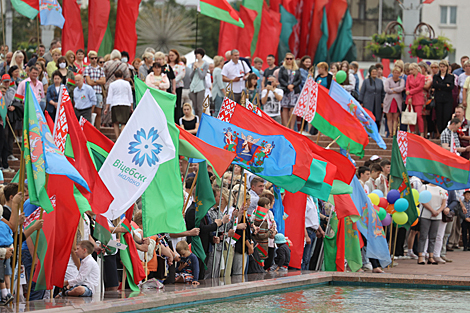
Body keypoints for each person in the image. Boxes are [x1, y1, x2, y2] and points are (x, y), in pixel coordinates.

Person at [417, 183, 448, 265]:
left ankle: (431, 256)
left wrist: (438, 211)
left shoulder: (441, 189)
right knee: (423, 235)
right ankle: (421, 256)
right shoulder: (425, 187)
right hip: (426, 214)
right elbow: (422, 201)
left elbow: (444, 203)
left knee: (433, 236)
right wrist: (432, 210)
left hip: (437, 215)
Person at [104, 70, 133, 139]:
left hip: (115, 104)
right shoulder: (127, 83)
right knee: (124, 122)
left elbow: (109, 96)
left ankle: (117, 137)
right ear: (122, 76)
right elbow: (130, 95)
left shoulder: (112, 84)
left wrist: (107, 108)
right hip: (125, 103)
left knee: (115, 122)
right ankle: (121, 138)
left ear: (115, 76)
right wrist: (131, 107)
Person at [84, 50, 105, 130]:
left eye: (96, 58)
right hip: (89, 93)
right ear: (89, 59)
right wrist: (98, 81)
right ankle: (90, 128)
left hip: (98, 92)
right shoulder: (87, 69)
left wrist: (94, 81)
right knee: (90, 111)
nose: (94, 60)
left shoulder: (100, 69)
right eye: (92, 58)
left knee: (99, 112)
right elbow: (89, 82)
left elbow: (103, 81)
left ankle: (98, 129)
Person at [279, 52, 301, 129]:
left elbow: (299, 79)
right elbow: (280, 78)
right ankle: (286, 126)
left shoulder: (296, 69)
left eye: (290, 59)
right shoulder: (282, 68)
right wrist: (287, 85)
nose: (289, 60)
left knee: (292, 108)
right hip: (285, 90)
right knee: (285, 107)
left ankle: (291, 127)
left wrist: (293, 85)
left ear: (293, 60)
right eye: (287, 58)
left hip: (294, 91)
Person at [432, 60, 455, 134]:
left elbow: (451, 86)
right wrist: (445, 85)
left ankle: (446, 131)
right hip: (438, 99)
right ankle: (440, 132)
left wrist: (440, 86)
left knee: (446, 115)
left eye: (443, 67)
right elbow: (435, 85)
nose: (442, 68)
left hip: (447, 99)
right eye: (441, 67)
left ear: (447, 67)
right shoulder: (436, 76)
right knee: (439, 116)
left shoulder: (451, 76)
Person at [384, 67, 405, 136]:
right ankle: (390, 132)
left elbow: (401, 88)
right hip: (389, 101)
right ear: (392, 73)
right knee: (389, 118)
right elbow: (386, 89)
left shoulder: (401, 81)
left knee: (395, 118)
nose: (396, 74)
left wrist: (392, 89)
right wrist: (395, 91)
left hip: (397, 101)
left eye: (398, 73)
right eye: (395, 73)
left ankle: (394, 132)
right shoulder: (388, 80)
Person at [406, 63, 426, 137]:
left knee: (418, 115)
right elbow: (407, 87)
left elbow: (420, 87)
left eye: (412, 70)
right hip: (410, 98)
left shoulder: (422, 77)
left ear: (416, 69)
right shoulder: (408, 77)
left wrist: (410, 92)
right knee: (411, 116)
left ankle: (422, 132)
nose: (410, 71)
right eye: (409, 70)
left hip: (418, 98)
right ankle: (412, 131)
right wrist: (409, 96)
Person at [190, 48, 209, 117]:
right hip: (193, 86)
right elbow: (190, 76)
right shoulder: (193, 63)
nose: (196, 55)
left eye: (198, 54)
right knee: (194, 106)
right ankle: (196, 120)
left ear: (201, 55)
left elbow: (202, 76)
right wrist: (193, 69)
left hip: (200, 86)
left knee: (199, 106)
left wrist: (198, 68)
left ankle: (200, 120)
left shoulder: (206, 64)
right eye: (196, 54)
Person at [168, 49, 186, 122]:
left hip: (178, 86)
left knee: (178, 104)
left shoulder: (180, 64)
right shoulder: (167, 64)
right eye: (170, 55)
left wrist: (173, 80)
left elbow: (181, 74)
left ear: (176, 56)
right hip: (169, 86)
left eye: (172, 55)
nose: (171, 57)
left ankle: (177, 120)